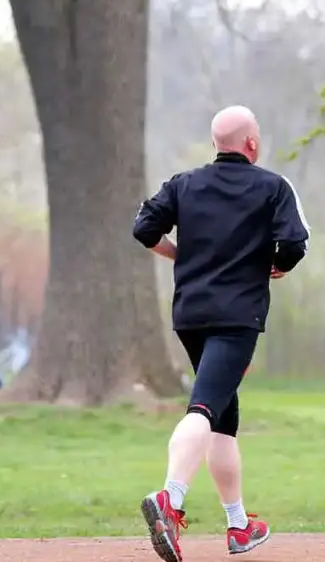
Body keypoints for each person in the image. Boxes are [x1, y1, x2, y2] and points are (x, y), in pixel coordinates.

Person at [132, 105, 309, 562]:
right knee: (204, 407)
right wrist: (276, 267)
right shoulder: (273, 187)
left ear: (216, 144)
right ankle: (170, 499)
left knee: (223, 421)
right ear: (252, 143)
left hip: (190, 314)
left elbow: (143, 227)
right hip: (237, 318)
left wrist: (179, 256)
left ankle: (238, 525)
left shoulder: (183, 184)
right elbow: (293, 243)